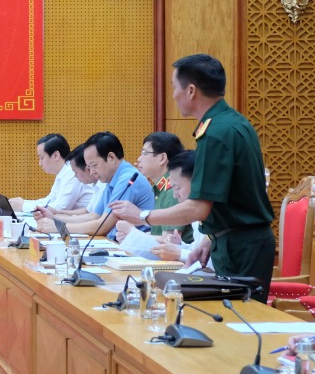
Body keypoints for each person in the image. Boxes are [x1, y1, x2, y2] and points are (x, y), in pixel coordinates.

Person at [111, 54, 274, 302]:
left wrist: (142, 215)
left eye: (174, 87)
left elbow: (198, 208)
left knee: (237, 320)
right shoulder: (231, 122)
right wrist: (209, 239)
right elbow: (232, 198)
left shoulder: (216, 132)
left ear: (190, 91)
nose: (173, 95)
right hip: (235, 241)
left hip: (239, 247)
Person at [36, 132, 154, 238]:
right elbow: (95, 216)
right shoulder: (112, 179)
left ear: (111, 158)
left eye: (94, 165)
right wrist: (54, 218)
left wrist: (58, 227)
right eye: (89, 167)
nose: (91, 172)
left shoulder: (127, 179)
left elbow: (102, 226)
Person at [118, 150, 206, 261]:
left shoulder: (208, 211)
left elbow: (214, 261)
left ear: (196, 183)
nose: (175, 195)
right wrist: (179, 246)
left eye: (177, 188)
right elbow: (197, 248)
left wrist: (179, 253)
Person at [114, 132, 193, 247]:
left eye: (145, 153)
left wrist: (132, 233)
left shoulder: (172, 192)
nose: (139, 159)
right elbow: (158, 234)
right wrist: (131, 238)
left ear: (162, 158)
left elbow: (168, 242)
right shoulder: (160, 189)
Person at [10, 134, 93, 214]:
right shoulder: (63, 172)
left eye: (42, 158)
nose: (40, 164)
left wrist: (23, 206)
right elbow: (49, 201)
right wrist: (23, 203)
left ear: (56, 155)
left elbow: (58, 208)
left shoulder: (71, 173)